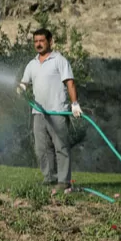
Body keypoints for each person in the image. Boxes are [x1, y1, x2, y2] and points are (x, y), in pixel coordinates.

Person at [16, 28, 82, 194]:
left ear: (50, 41)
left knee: (61, 147)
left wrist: (74, 104)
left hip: (57, 111)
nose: (38, 44)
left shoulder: (59, 60)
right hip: (38, 113)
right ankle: (49, 178)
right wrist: (21, 88)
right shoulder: (32, 64)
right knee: (41, 148)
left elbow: (70, 83)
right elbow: (25, 83)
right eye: (36, 41)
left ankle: (64, 181)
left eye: (41, 41)